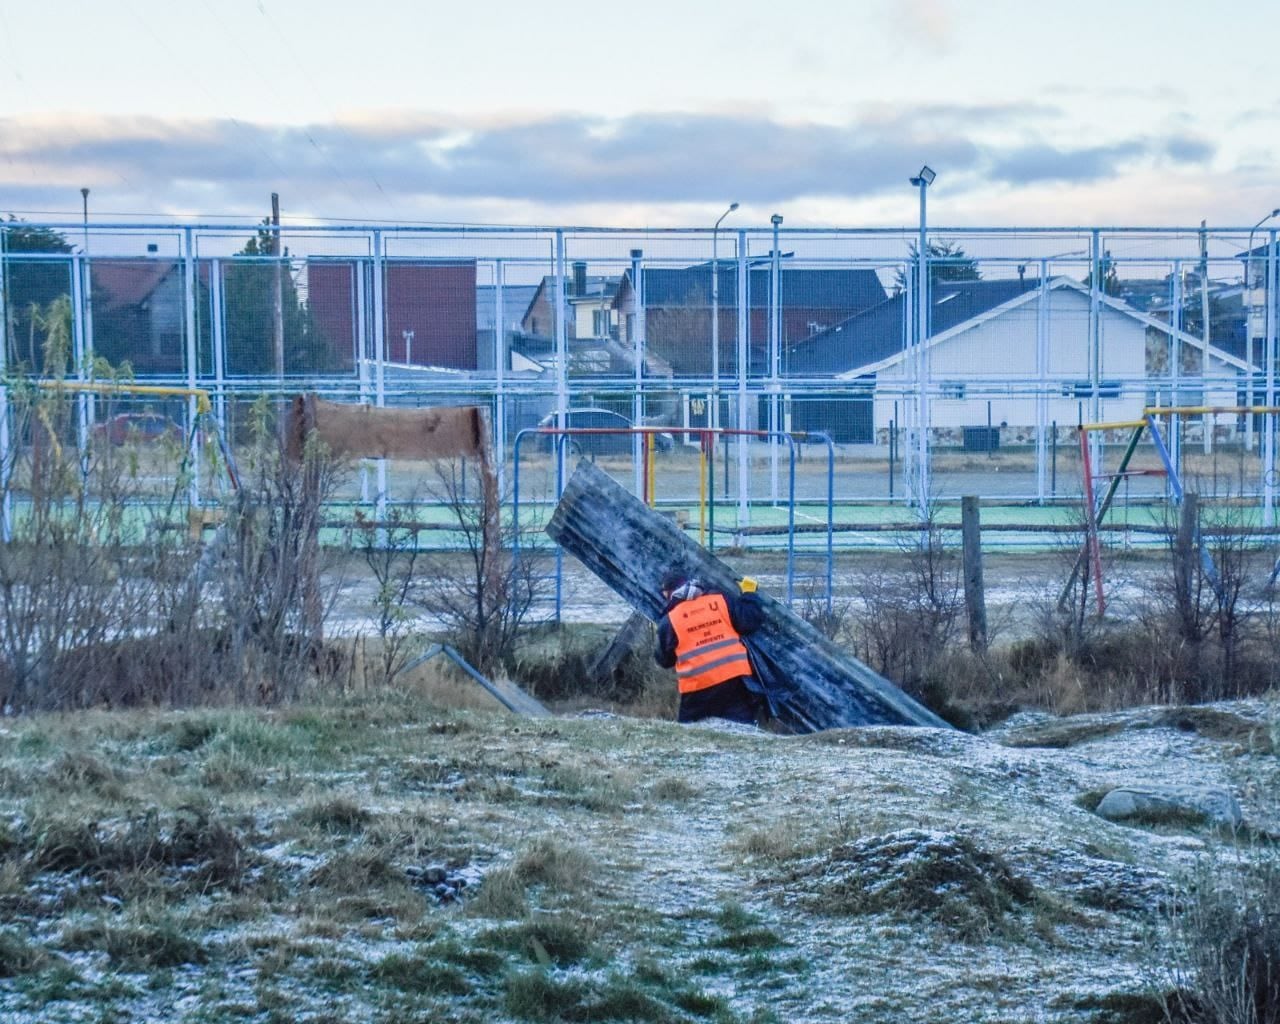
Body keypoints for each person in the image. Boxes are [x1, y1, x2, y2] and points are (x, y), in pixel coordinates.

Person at [654, 571, 764, 724]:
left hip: (697, 688)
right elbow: (750, 620)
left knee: (691, 737)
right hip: (735, 679)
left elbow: (664, 660)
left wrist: (660, 634)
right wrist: (749, 593)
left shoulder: (669, 621)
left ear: (668, 593)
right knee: (742, 731)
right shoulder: (719, 601)